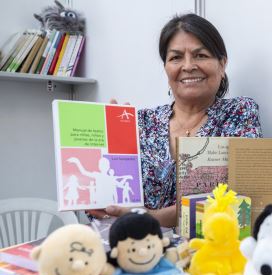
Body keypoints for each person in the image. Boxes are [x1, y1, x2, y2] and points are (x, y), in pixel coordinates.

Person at [90, 13, 262, 227]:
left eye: (201, 55)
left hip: (207, 249)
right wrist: (97, 183)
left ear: (222, 63)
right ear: (166, 68)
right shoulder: (141, 121)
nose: (188, 66)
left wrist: (149, 218)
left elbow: (238, 200)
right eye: (176, 57)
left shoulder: (240, 112)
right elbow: (110, 198)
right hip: (135, 247)